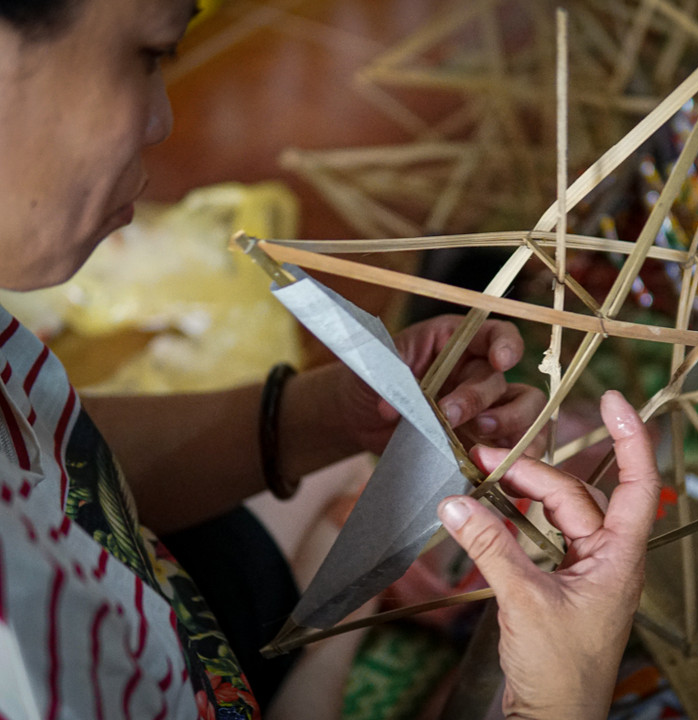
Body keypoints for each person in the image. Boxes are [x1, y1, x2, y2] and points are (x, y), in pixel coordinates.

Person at [0, 1, 663, 719]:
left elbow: (57, 458)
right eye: (152, 52)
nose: (162, 120)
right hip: (177, 664)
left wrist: (320, 414)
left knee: (347, 486)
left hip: (160, 604)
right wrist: (567, 693)